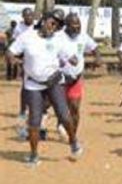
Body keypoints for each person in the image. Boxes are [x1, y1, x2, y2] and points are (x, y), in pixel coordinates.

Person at [6, 11, 83, 166]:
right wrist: (14, 61)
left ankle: (73, 141)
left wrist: (74, 59)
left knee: (64, 115)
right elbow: (10, 52)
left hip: (54, 82)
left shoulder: (57, 40)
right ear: (43, 20)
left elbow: (70, 56)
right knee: (34, 121)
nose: (53, 27)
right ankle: (34, 155)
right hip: (33, 85)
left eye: (57, 26)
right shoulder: (27, 37)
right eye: (52, 22)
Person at [58, 13, 101, 136]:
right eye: (74, 24)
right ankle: (58, 122)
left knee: (75, 107)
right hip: (59, 78)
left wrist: (97, 58)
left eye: (79, 24)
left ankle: (73, 136)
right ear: (66, 25)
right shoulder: (58, 37)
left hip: (75, 78)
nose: (77, 27)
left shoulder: (83, 36)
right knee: (60, 106)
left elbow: (95, 47)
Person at [13, 8, 35, 128]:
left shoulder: (36, 26)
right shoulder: (18, 28)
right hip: (24, 58)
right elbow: (14, 43)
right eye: (27, 16)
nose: (29, 18)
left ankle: (38, 109)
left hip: (34, 58)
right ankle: (23, 109)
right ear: (23, 17)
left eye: (31, 15)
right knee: (25, 85)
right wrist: (18, 60)